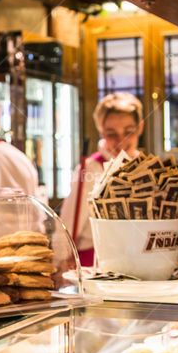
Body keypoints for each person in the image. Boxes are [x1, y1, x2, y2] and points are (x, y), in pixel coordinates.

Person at [62, 92, 144, 267]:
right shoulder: (91, 169)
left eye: (129, 131)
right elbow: (67, 228)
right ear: (101, 131)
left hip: (136, 263)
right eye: (111, 133)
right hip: (94, 266)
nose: (121, 140)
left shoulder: (145, 167)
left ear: (140, 128)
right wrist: (60, 262)